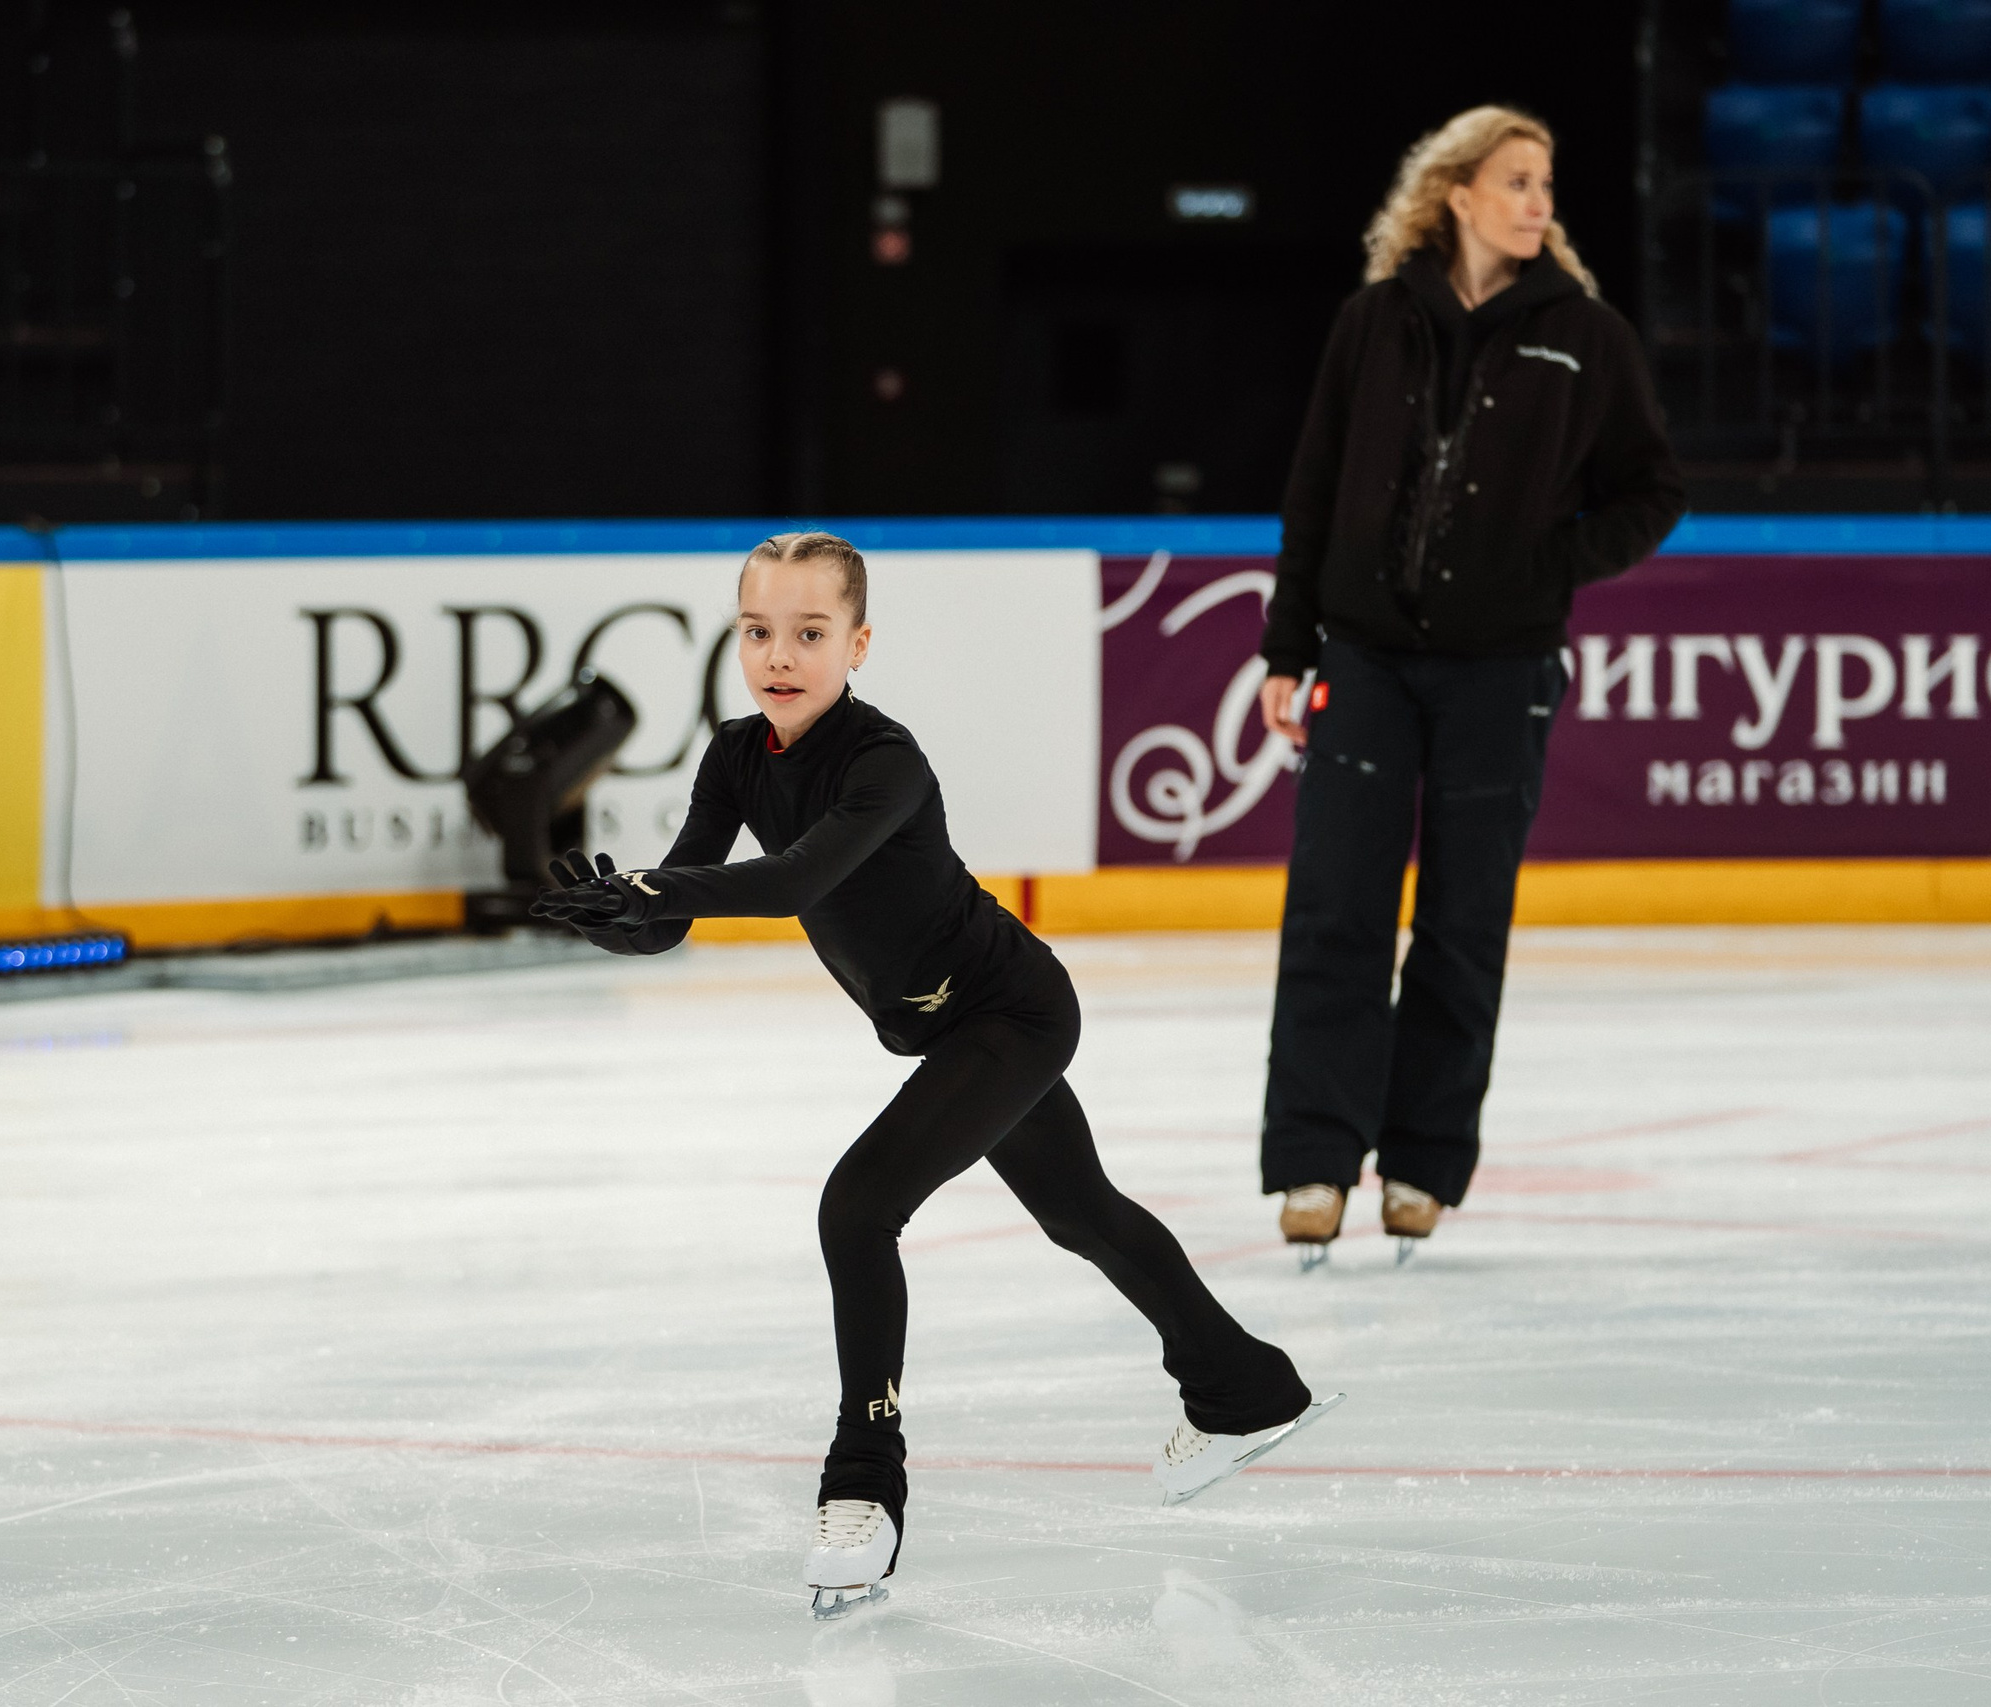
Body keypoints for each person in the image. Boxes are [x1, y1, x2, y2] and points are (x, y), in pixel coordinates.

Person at [534, 531, 1337, 1619]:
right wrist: (616, 918)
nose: (780, 655)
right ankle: (1244, 1384)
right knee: (1082, 1212)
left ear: (857, 644)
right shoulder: (735, 755)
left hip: (1010, 1013)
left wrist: (655, 888)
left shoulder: (885, 761)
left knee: (857, 1207)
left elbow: (793, 880)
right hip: (949, 1028)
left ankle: (864, 1481)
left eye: (809, 632)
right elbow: (676, 913)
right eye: (758, 631)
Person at [1256, 106, 1685, 1263]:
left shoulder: (1584, 335)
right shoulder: (1371, 322)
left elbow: (1652, 490)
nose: (1538, 202)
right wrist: (1287, 647)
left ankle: (1422, 1165)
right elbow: (1313, 489)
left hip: (1502, 670)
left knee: (1461, 920)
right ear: (1455, 194)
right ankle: (1312, 1158)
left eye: (1545, 183)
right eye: (1515, 181)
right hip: (1364, 656)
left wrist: (1548, 564)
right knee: (1336, 906)